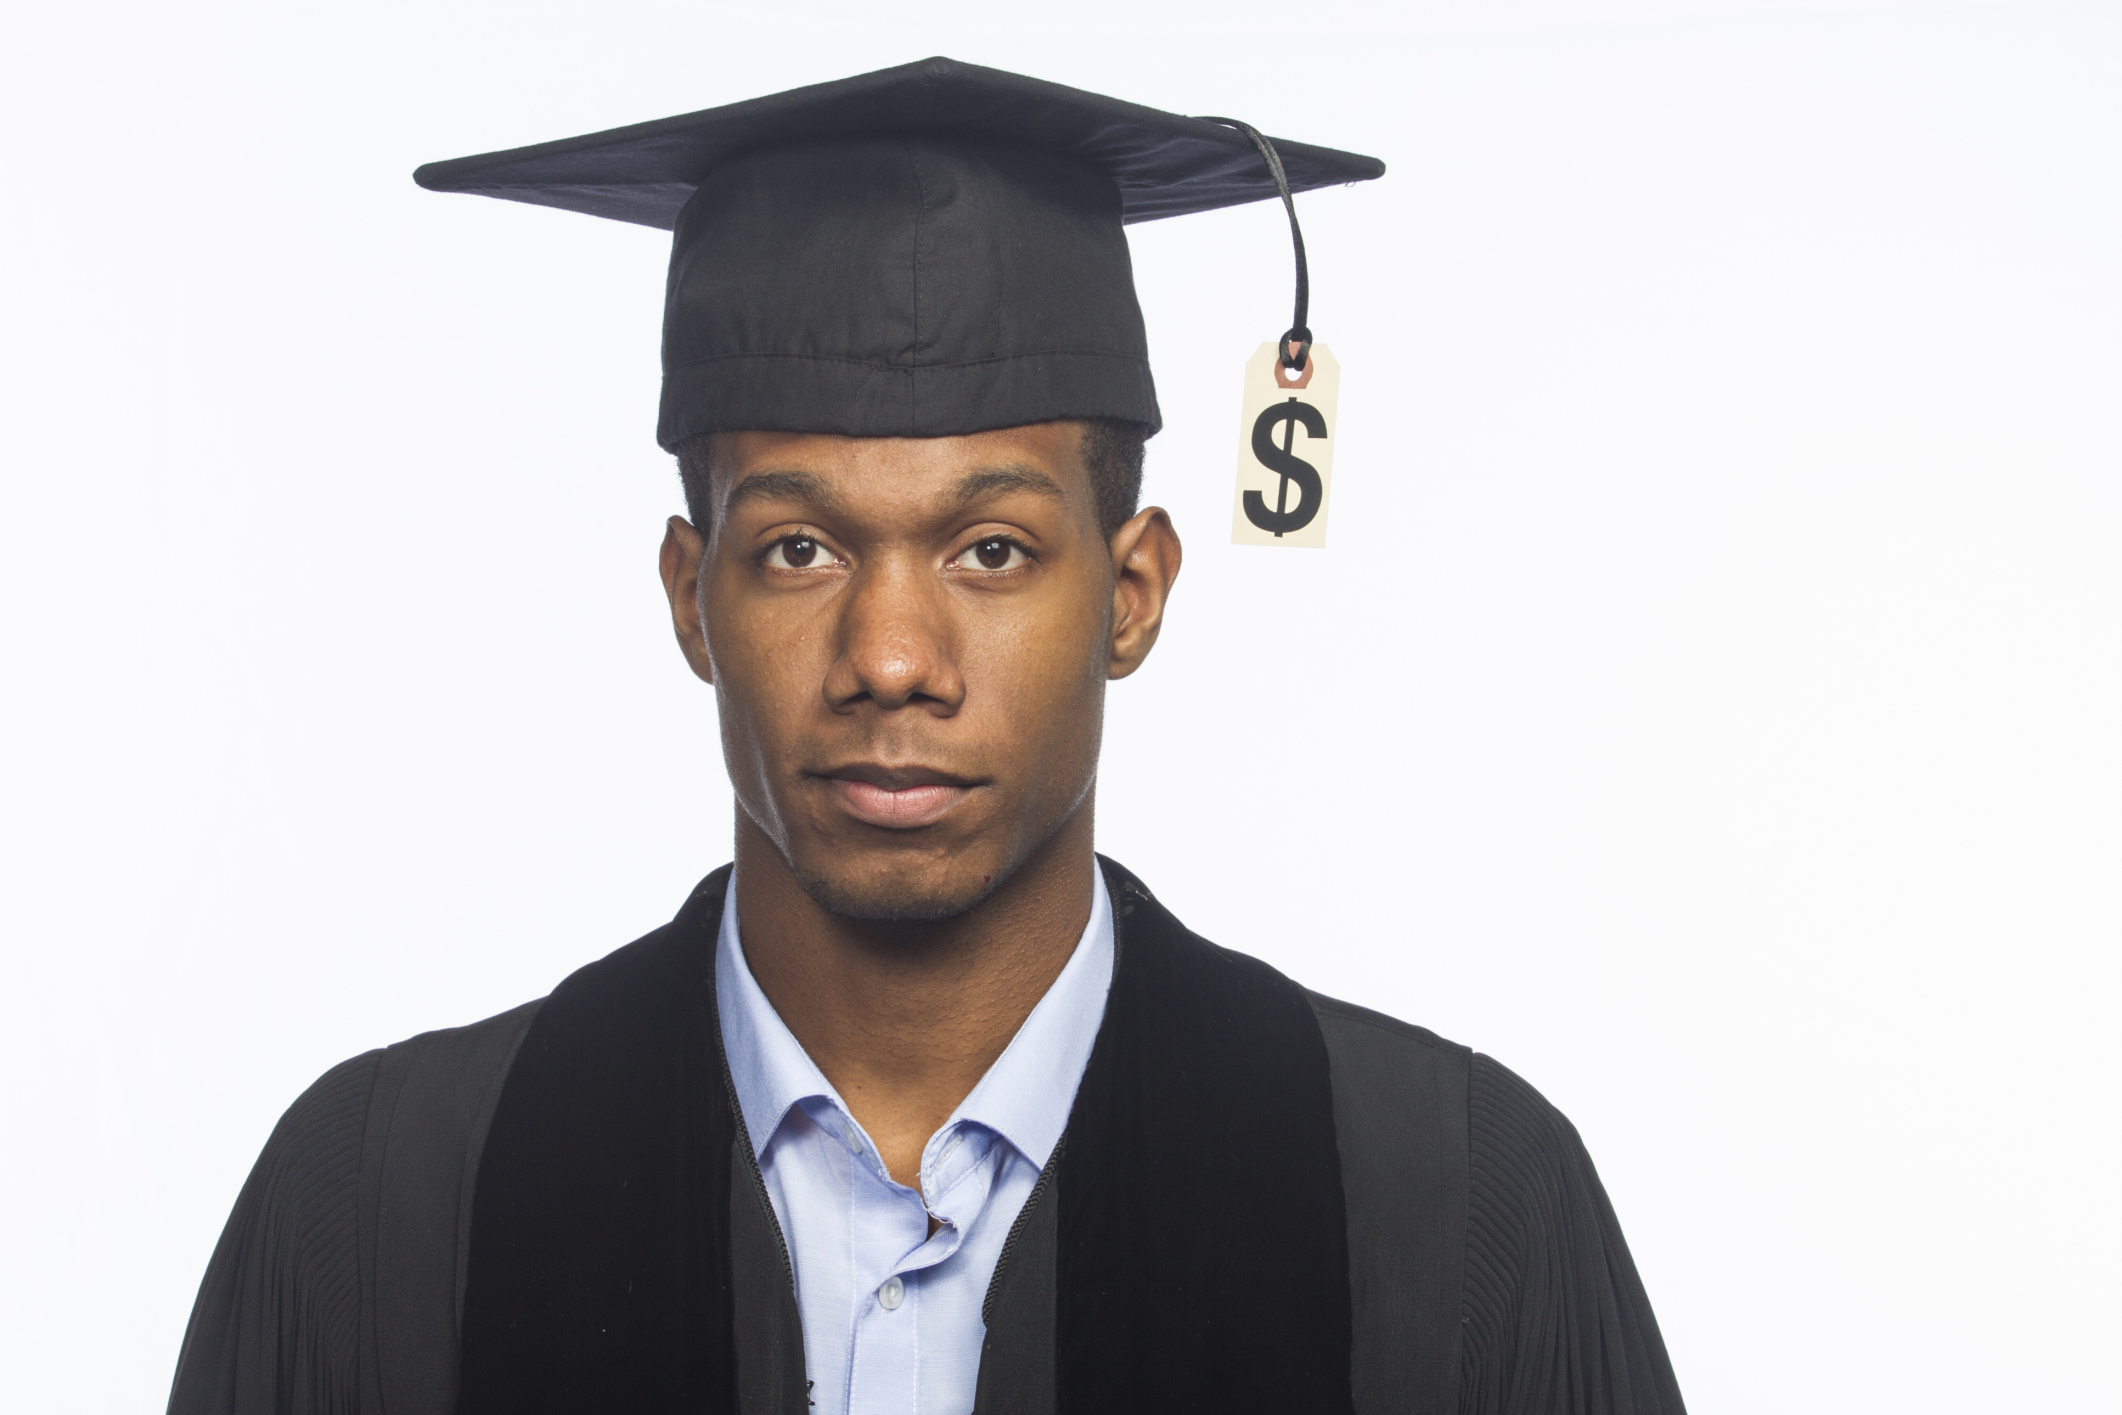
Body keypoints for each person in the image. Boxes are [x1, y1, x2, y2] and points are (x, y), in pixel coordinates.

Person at [168, 57, 1686, 1415]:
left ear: (1133, 593)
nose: (891, 660)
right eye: (798, 552)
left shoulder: (1450, 1206)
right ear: (690, 601)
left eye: (991, 552)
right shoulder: (378, 1210)